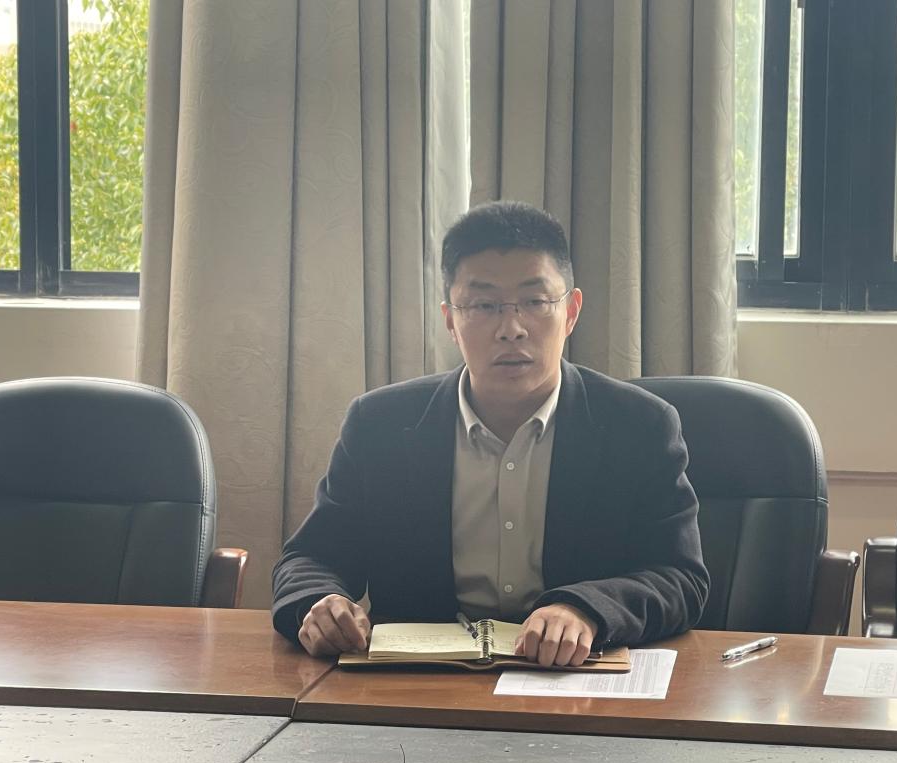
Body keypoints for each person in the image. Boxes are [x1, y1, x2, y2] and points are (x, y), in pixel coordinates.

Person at [272, 201, 709, 667]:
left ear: (571, 312)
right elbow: (310, 559)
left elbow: (680, 577)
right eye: (484, 305)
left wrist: (585, 608)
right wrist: (320, 604)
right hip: (421, 685)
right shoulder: (380, 425)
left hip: (568, 681)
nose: (511, 329)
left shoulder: (639, 426)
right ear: (450, 320)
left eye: (535, 302)